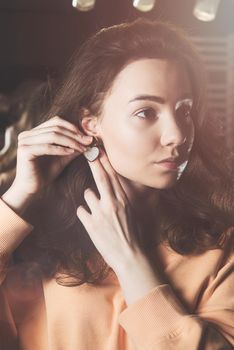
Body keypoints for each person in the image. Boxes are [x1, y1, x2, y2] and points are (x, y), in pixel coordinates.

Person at [0, 18, 233, 350]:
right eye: (145, 112)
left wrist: (130, 260)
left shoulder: (222, 248)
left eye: (184, 111)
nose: (178, 135)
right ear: (90, 122)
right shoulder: (38, 243)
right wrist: (19, 198)